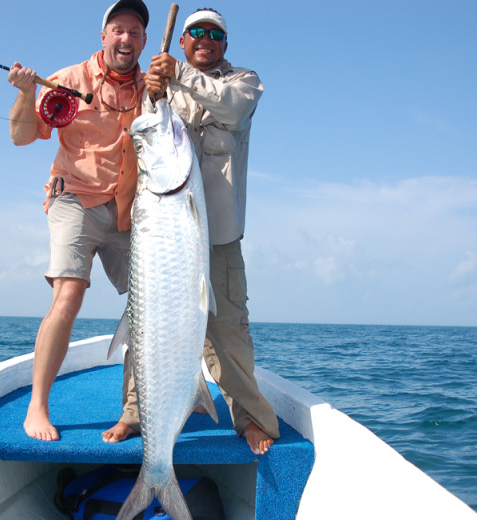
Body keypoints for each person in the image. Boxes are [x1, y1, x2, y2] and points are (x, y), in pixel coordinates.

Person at [102, 8, 280, 455]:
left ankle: (251, 417)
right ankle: (135, 412)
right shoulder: (161, 93)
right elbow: (144, 137)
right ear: (181, 41)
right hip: (163, 234)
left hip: (217, 237)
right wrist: (154, 95)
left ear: (224, 43)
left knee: (229, 331)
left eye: (214, 33)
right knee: (145, 324)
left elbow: (234, 108)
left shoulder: (244, 81)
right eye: (195, 32)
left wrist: (179, 75)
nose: (205, 38)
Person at [7, 0, 149, 441]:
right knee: (69, 295)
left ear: (143, 40)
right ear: (103, 36)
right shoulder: (68, 80)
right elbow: (21, 136)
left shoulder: (153, 87)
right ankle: (37, 407)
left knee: (151, 302)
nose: (126, 39)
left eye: (134, 32)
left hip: (128, 207)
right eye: (118, 30)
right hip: (74, 200)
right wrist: (26, 93)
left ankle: (138, 409)